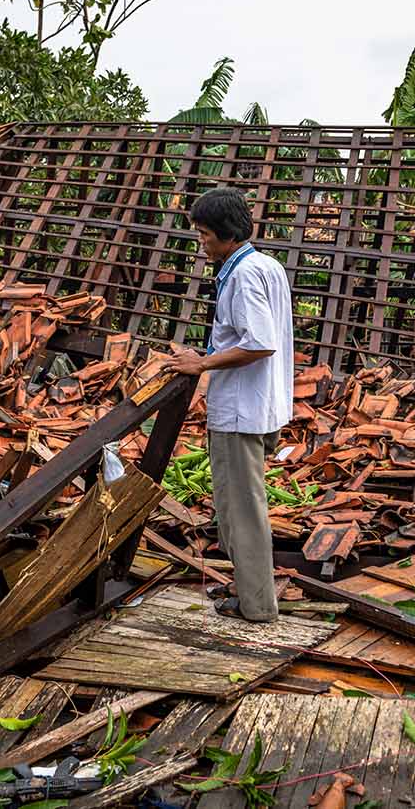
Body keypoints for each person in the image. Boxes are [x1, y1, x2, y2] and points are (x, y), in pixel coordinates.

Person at [162, 187, 294, 622]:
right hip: (260, 405)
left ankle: (257, 607)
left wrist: (200, 364)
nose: (201, 243)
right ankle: (248, 593)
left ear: (226, 234)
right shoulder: (266, 266)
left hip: (241, 411)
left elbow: (259, 344)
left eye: (203, 234)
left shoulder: (243, 275)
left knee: (241, 510)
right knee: (240, 506)